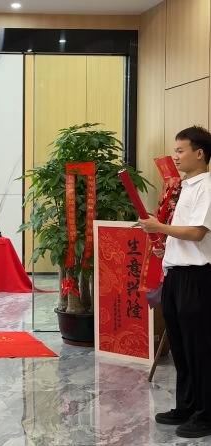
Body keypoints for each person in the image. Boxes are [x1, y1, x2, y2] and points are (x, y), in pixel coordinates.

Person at [139, 126, 211, 439]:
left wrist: (160, 227)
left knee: (199, 349)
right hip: (175, 275)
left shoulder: (207, 187)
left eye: (181, 150)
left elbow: (197, 232)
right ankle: (186, 406)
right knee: (180, 347)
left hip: (197, 277)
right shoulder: (186, 186)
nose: (176, 156)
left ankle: (206, 414)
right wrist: (165, 244)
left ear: (200, 153)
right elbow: (183, 234)